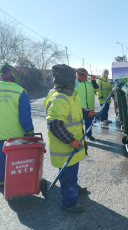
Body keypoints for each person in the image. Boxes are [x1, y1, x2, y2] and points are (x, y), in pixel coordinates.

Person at [44, 64, 97, 212]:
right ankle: (68, 202)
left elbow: (74, 111)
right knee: (67, 175)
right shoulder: (59, 98)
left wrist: (87, 112)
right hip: (65, 147)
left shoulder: (69, 95)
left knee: (71, 172)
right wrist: (71, 141)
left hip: (72, 145)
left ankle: (73, 188)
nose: (75, 81)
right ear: (66, 80)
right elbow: (54, 125)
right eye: (73, 79)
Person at [0, 62, 34, 186]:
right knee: (13, 161)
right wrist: (29, 132)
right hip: (14, 136)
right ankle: (12, 183)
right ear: (14, 77)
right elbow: (24, 115)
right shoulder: (20, 91)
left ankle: (2, 180)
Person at [74, 68, 99, 141]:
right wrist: (73, 72)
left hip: (89, 108)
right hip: (79, 108)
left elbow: (97, 89)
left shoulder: (89, 83)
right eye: (80, 75)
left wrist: (93, 80)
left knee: (89, 123)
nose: (83, 76)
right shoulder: (76, 83)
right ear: (78, 75)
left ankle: (89, 134)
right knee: (78, 124)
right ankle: (79, 137)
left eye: (84, 75)